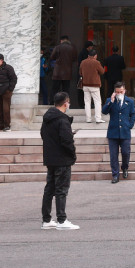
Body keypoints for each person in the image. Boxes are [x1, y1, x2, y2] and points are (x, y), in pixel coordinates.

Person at [40, 91, 79, 230]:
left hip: (50, 158)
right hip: (62, 159)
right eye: (68, 102)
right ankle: (61, 220)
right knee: (61, 190)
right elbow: (67, 141)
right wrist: (73, 155)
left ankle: (46, 220)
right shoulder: (62, 119)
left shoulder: (48, 118)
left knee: (49, 189)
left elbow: (43, 134)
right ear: (65, 103)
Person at [102, 82, 135, 183]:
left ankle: (125, 167)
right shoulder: (110, 100)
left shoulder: (129, 101)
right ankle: (115, 175)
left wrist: (130, 125)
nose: (119, 94)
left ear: (124, 91)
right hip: (113, 132)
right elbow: (104, 111)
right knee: (113, 155)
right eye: (117, 92)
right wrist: (111, 101)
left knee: (126, 152)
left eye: (121, 92)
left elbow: (133, 114)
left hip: (125, 132)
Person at [0, 53, 17, 132]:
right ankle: (1, 125)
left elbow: (14, 79)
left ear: (1, 60)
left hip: (6, 91)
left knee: (6, 109)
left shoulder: (8, 68)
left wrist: (10, 89)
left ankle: (7, 125)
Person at [79, 48, 105, 124]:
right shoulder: (96, 62)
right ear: (95, 55)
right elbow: (102, 72)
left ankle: (88, 119)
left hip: (85, 85)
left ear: (88, 55)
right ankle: (98, 118)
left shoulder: (83, 62)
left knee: (87, 102)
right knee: (97, 102)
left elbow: (80, 73)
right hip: (94, 85)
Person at [49, 35, 76, 102]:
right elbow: (74, 58)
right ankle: (66, 103)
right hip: (67, 73)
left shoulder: (58, 47)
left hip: (57, 72)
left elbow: (52, 57)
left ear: (61, 40)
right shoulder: (72, 48)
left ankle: (53, 102)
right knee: (66, 90)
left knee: (55, 89)